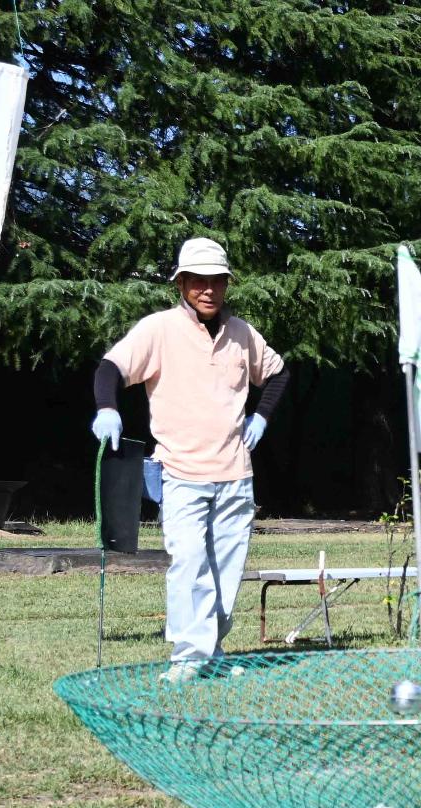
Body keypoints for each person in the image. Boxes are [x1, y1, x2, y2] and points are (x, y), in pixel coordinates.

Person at [92, 238, 289, 679]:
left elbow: (277, 373)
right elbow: (110, 368)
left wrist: (261, 417)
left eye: (216, 280)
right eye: (198, 280)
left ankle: (211, 654)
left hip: (236, 472)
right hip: (180, 472)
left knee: (226, 573)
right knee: (189, 566)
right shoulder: (158, 329)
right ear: (181, 283)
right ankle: (187, 658)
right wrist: (108, 407)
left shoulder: (242, 334)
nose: (208, 289)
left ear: (225, 285)